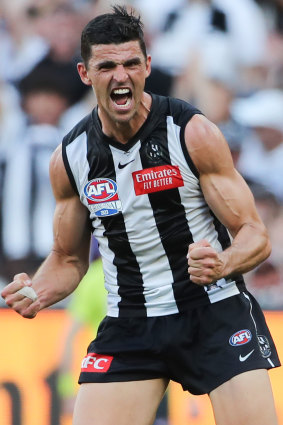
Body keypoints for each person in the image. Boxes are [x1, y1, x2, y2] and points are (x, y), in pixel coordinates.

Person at [1, 6, 280, 425]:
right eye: (107, 65)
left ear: (147, 66)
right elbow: (70, 258)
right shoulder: (72, 157)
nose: (121, 75)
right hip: (130, 318)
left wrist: (222, 263)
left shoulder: (192, 132)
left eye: (132, 63)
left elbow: (255, 234)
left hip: (213, 309)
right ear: (84, 74)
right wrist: (37, 291)